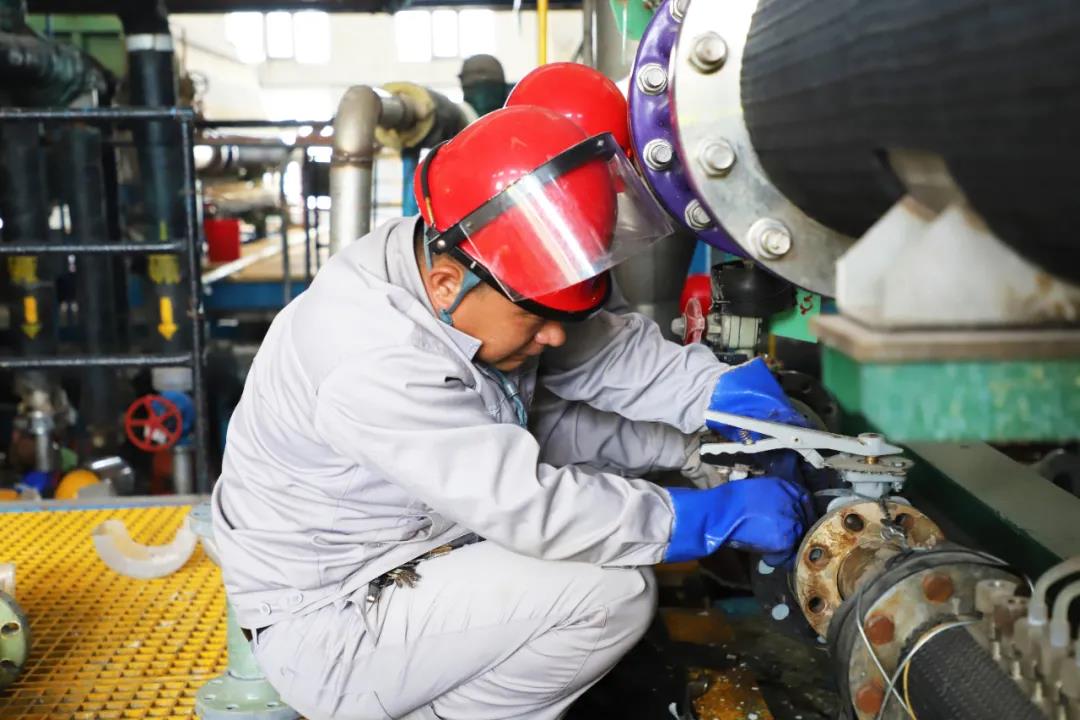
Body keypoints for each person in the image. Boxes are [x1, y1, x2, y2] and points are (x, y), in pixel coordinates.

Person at [211, 102, 810, 720]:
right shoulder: (372, 356)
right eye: (535, 319)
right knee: (611, 592)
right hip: (336, 618)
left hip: (419, 546)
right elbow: (526, 504)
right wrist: (704, 519)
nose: (554, 336)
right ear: (447, 285)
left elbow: (594, 366)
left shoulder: (463, 264)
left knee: (582, 467)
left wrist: (717, 402)